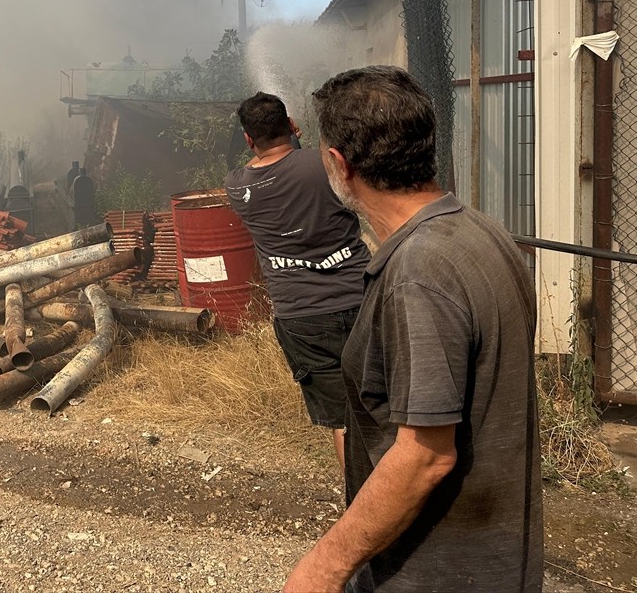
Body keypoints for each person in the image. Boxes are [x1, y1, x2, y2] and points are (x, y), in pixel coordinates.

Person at [285, 66, 542, 592]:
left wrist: (324, 567)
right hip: (493, 564)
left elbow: (424, 454)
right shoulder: (479, 229)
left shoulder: (419, 273)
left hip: (438, 575)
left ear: (339, 164)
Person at [225, 93, 368, 472]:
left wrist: (284, 145)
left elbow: (273, 174)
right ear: (290, 125)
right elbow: (309, 175)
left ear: (248, 139)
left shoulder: (237, 186)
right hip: (361, 300)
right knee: (387, 408)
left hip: (301, 318)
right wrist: (301, 144)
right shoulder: (325, 163)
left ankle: (361, 504)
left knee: (344, 421)